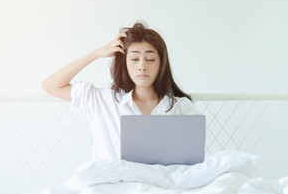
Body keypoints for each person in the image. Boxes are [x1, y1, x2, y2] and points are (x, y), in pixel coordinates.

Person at [42, 21, 199, 160]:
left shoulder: (181, 108)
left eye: (150, 59)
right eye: (134, 59)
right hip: (114, 189)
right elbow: (51, 86)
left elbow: (190, 161)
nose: (142, 66)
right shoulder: (104, 100)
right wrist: (96, 54)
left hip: (162, 188)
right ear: (124, 62)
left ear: (161, 64)